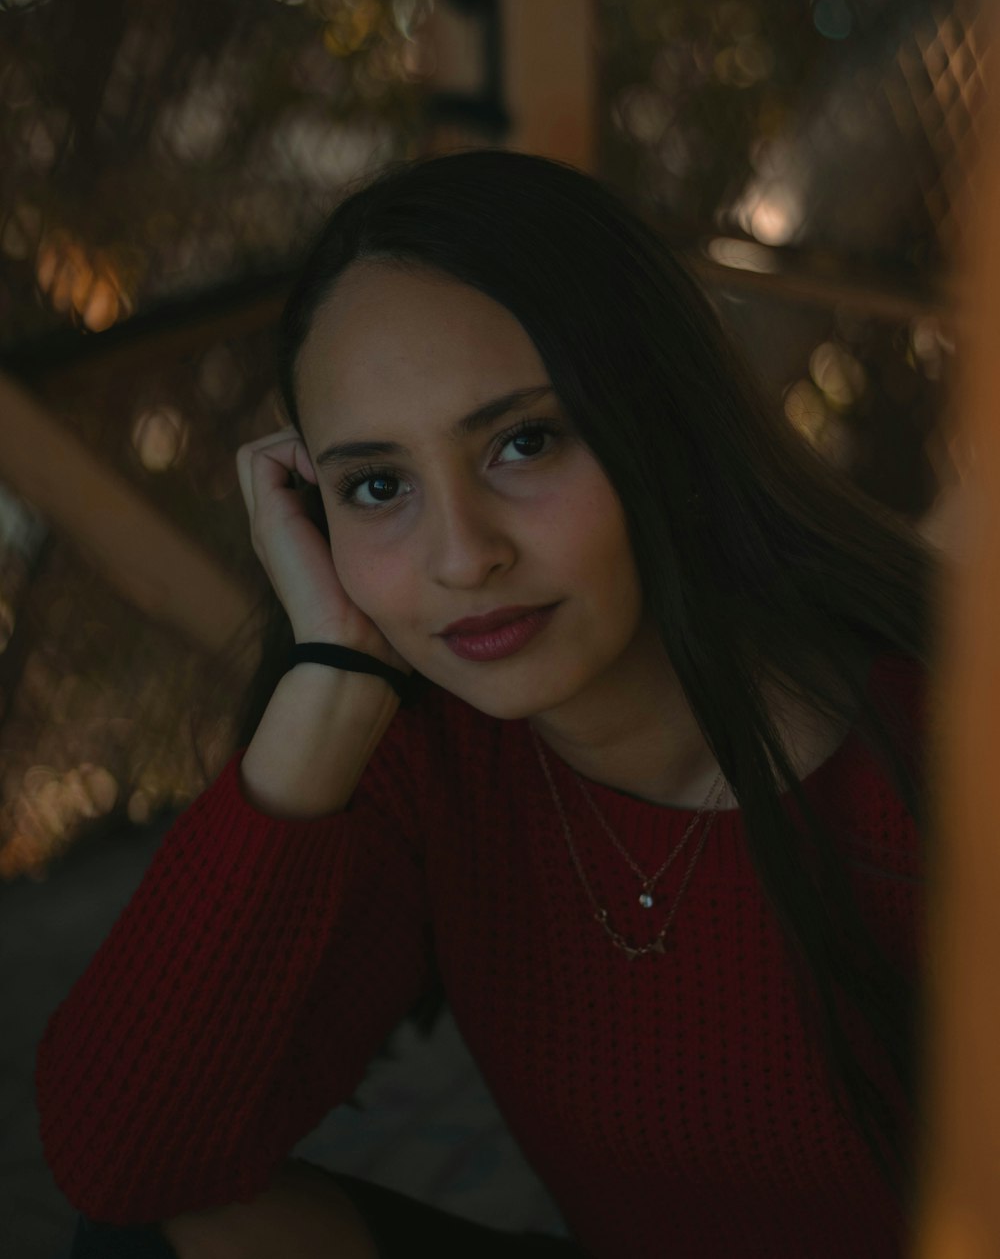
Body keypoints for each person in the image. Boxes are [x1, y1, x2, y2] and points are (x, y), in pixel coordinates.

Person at [37, 149, 940, 1258]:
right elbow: (122, 1158)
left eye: (523, 442)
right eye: (378, 486)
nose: (462, 557)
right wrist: (330, 682)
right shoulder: (431, 761)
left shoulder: (938, 757)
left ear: (659, 420)